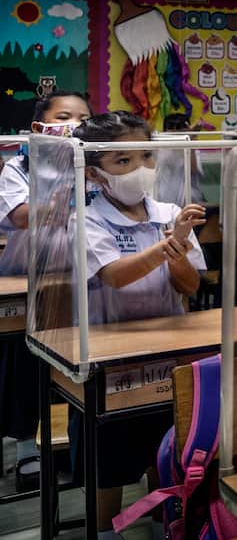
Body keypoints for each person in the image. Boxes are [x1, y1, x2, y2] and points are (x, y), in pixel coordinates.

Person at [74, 111, 206, 539]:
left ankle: (163, 526)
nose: (140, 170)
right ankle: (103, 532)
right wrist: (172, 242)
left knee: (165, 452)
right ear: (94, 173)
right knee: (109, 467)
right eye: (123, 161)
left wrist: (179, 250)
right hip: (112, 360)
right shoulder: (87, 218)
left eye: (146, 157)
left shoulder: (169, 212)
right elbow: (114, 275)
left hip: (168, 355)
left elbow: (189, 285)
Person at [0, 91, 91, 493]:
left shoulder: (97, 163)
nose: (74, 124)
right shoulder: (17, 167)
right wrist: (63, 193)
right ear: (40, 126)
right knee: (24, 368)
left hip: (79, 280)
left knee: (76, 367)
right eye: (64, 116)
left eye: (84, 118)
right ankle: (25, 451)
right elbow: (19, 216)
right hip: (27, 280)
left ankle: (79, 444)